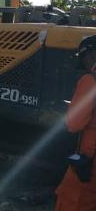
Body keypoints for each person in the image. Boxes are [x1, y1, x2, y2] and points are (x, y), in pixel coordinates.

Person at [55, 36, 96, 210]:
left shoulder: (90, 81)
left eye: (84, 58)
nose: (84, 64)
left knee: (73, 200)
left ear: (92, 54)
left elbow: (74, 124)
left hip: (89, 156)